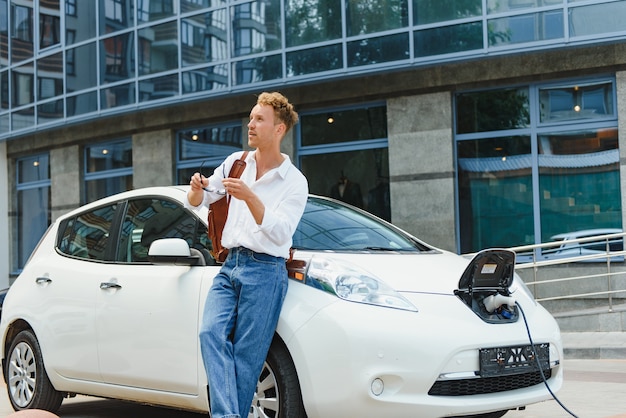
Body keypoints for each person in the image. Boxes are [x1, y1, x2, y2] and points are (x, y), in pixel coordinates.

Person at [186, 92, 308, 418]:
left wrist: (251, 197)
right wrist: (197, 188)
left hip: (266, 271)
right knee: (209, 333)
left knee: (247, 359)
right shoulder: (237, 162)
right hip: (230, 266)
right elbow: (200, 200)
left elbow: (281, 232)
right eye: (251, 118)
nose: (250, 124)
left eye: (259, 119)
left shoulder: (294, 182)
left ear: (278, 129)